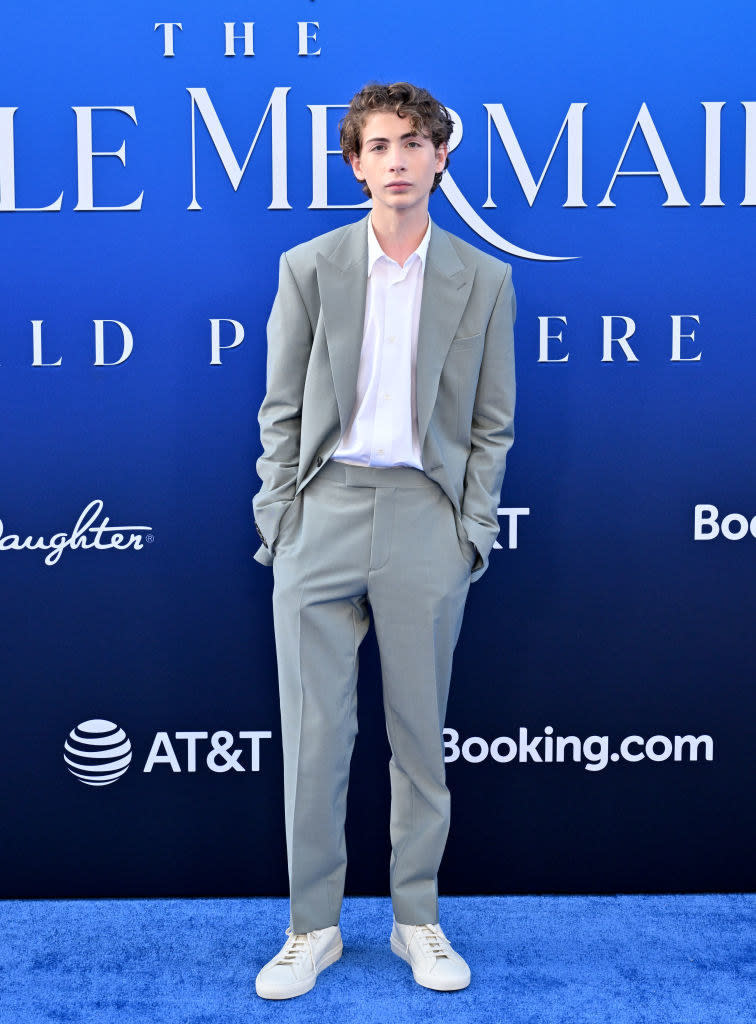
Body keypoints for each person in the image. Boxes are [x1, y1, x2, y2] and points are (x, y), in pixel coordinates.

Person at [252, 80, 516, 1000]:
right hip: (320, 514)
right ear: (356, 164)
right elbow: (281, 411)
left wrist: (468, 531)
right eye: (377, 146)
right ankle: (310, 929)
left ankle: (417, 921)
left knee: (418, 738)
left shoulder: (485, 278)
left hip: (423, 518)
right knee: (314, 738)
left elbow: (492, 425)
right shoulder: (310, 266)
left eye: (412, 142)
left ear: (441, 154)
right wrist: (279, 524)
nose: (396, 160)